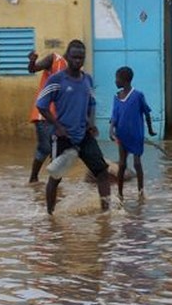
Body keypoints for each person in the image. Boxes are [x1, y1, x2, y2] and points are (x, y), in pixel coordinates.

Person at [36, 40, 110, 214]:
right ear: (67, 57)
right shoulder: (56, 80)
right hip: (62, 137)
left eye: (81, 58)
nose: (78, 61)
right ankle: (50, 216)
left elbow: (91, 103)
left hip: (84, 135)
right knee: (55, 178)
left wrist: (91, 123)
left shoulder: (87, 79)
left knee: (102, 172)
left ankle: (106, 213)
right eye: (75, 57)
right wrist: (57, 126)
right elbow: (41, 104)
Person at [109, 66, 156, 199]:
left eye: (116, 78)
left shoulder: (138, 95)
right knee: (122, 164)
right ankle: (120, 193)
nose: (115, 81)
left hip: (136, 135)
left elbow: (146, 113)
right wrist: (111, 129)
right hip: (122, 135)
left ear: (124, 80)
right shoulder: (116, 97)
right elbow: (114, 116)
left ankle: (141, 192)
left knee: (136, 163)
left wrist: (151, 130)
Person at [27, 50, 67, 183]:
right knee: (45, 148)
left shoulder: (74, 72)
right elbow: (33, 69)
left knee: (58, 150)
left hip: (59, 117)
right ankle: (34, 179)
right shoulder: (54, 59)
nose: (79, 61)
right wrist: (32, 60)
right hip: (43, 114)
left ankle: (53, 183)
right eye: (76, 57)